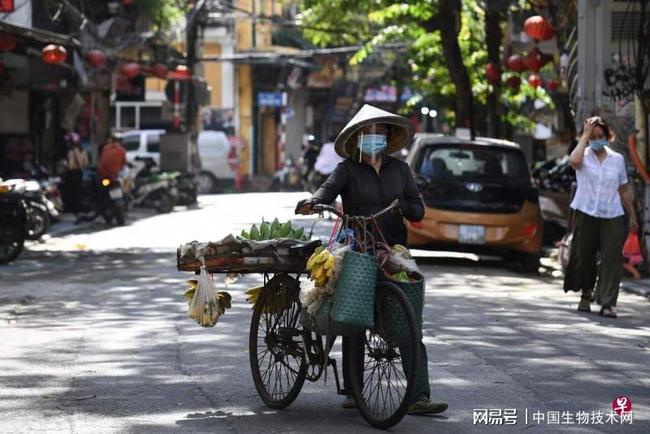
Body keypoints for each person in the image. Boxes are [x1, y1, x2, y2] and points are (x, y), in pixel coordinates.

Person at [295, 104, 448, 415]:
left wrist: (401, 204)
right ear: (358, 138)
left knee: (409, 325)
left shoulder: (401, 171)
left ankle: (418, 396)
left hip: (394, 252)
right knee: (355, 318)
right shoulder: (347, 169)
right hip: (358, 249)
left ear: (388, 137)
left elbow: (418, 212)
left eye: (380, 132)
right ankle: (354, 389)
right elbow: (326, 191)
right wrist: (313, 202)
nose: (375, 137)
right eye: (369, 132)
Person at [564, 116, 637, 318]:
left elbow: (623, 189)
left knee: (612, 259)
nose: (597, 139)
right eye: (593, 136)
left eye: (600, 136)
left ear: (607, 136)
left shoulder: (617, 160)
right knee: (584, 256)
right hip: (586, 212)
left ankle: (607, 303)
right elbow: (574, 161)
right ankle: (586, 295)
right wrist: (585, 135)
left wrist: (632, 216)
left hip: (612, 213)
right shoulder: (583, 154)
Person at [63, 132, 89, 221]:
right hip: (80, 173)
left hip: (72, 174)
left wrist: (64, 164)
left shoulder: (71, 152)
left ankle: (75, 211)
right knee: (78, 192)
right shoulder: (83, 150)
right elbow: (86, 163)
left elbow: (70, 166)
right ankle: (79, 210)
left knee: (72, 193)